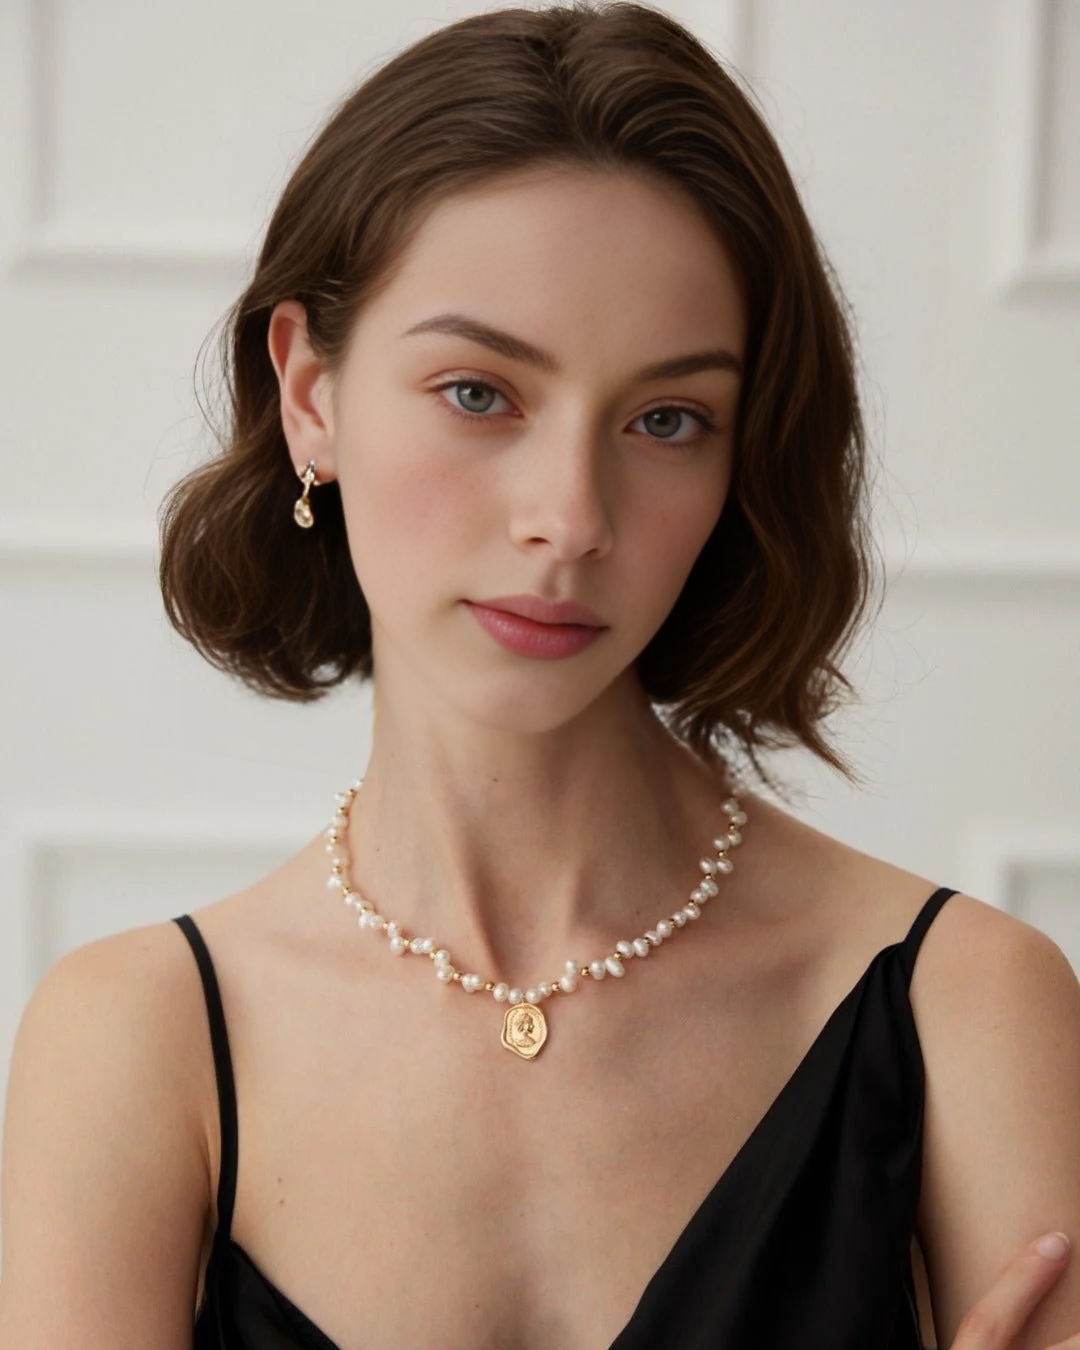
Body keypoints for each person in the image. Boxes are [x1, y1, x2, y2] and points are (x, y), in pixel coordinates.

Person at [1, 5, 1078, 1348]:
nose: (570, 516)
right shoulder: (133, 1044)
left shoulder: (968, 1003)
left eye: (666, 418)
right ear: (310, 392)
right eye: (479, 392)